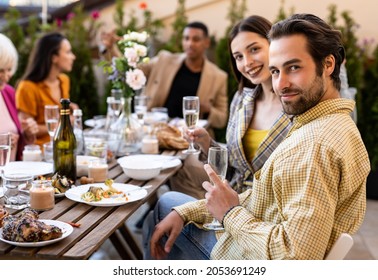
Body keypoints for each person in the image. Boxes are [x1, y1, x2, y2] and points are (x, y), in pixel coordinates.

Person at [143, 13, 370, 260]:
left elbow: (295, 259)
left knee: (163, 208)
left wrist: (229, 214)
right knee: (176, 206)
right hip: (252, 221)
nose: (280, 84)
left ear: (328, 64)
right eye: (275, 71)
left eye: (293, 67)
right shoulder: (324, 123)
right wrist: (195, 210)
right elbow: (261, 194)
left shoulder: (313, 144)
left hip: (245, 254)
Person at [170, 15, 291, 198]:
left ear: (274, 44)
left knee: (166, 207)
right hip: (233, 199)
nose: (247, 62)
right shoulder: (243, 99)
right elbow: (236, 169)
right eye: (239, 57)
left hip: (264, 212)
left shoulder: (295, 103)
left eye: (255, 49)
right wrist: (206, 143)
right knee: (169, 197)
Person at [101, 21, 228, 134]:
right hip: (155, 131)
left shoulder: (218, 77)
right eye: (186, 38)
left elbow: (222, 119)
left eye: (196, 39)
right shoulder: (164, 60)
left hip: (190, 137)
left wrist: (209, 109)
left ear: (207, 42)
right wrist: (111, 48)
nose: (190, 43)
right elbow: (131, 70)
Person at [16, 32, 77, 147]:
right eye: (68, 52)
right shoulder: (27, 87)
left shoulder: (64, 81)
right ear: (54, 58)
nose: (73, 57)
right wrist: (64, 122)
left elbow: (60, 110)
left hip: (63, 145)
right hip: (40, 151)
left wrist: (72, 108)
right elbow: (26, 129)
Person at [0, 33, 38, 161]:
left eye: (9, 69)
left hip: (11, 176)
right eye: (1, 70)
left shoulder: (8, 92)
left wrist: (26, 133)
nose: (6, 76)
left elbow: (18, 147)